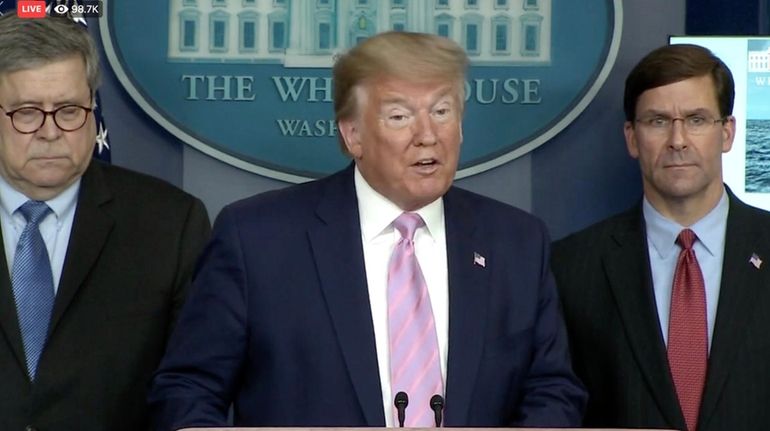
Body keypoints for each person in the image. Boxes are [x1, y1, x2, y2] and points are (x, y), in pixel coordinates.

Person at [149, 31, 586, 430]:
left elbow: (552, 389)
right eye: (400, 116)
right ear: (353, 134)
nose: (427, 135)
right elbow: (188, 390)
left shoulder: (516, 242)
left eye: (441, 111)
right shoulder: (257, 239)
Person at [0, 14, 211, 431]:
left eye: (69, 110)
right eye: (26, 113)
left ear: (93, 109)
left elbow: (192, 383)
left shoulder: (169, 223)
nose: (50, 132)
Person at [552, 43, 770, 431]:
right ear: (632, 138)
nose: (678, 140)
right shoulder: (570, 267)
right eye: (657, 121)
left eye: (697, 119)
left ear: (728, 133)